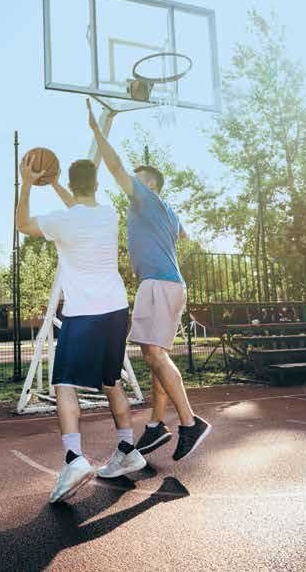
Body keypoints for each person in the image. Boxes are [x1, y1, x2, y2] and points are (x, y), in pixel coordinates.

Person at [16, 152, 147, 504]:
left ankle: (74, 460)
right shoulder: (107, 214)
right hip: (117, 309)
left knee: (63, 383)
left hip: (84, 313)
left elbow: (22, 224)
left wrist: (28, 183)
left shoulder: (63, 221)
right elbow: (80, 206)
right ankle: (127, 449)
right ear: (97, 185)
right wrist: (57, 182)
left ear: (73, 185)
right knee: (111, 381)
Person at [86, 98, 212, 464]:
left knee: (153, 354)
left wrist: (97, 131)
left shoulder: (146, 198)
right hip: (171, 284)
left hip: (158, 284)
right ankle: (157, 424)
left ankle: (189, 422)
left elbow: (114, 166)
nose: (131, 184)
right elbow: (184, 233)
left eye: (139, 179)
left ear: (150, 184)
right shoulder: (166, 212)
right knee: (158, 355)